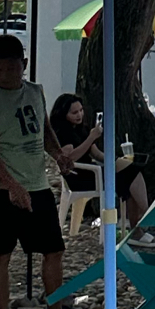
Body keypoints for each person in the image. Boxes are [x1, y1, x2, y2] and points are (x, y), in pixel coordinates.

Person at [0, 34, 65, 309]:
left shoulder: (36, 92)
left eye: (11, 69)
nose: (4, 75)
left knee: (53, 250)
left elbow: (45, 130)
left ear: (23, 65)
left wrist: (59, 154)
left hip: (37, 184)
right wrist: (11, 185)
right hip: (0, 188)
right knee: (1, 253)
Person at [47, 91, 103, 225]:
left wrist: (116, 160)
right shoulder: (62, 132)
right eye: (74, 113)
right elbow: (70, 158)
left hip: (91, 171)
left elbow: (96, 154)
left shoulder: (80, 129)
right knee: (125, 177)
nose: (79, 115)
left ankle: (136, 216)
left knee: (129, 172)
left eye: (81, 110)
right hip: (78, 176)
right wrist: (91, 138)